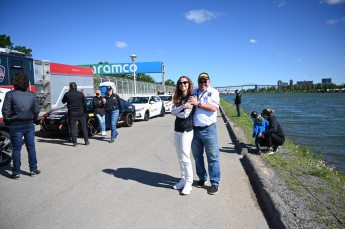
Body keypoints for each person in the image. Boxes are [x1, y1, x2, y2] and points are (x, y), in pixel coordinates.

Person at [2, 73, 41, 179]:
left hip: (15, 124)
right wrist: (33, 118)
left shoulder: (10, 94)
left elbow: (5, 111)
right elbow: (37, 110)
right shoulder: (32, 95)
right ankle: (33, 169)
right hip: (29, 123)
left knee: (16, 148)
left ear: (15, 82)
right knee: (31, 147)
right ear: (26, 83)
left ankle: (16, 172)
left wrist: (8, 122)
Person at [188, 72, 221, 195]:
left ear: (209, 81)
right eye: (200, 81)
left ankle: (215, 183)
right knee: (197, 156)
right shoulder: (194, 92)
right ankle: (202, 178)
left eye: (205, 81)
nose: (203, 83)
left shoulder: (214, 92)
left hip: (209, 129)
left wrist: (199, 104)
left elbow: (214, 108)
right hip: (195, 130)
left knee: (213, 157)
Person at [171, 76, 194, 195]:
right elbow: (172, 111)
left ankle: (189, 183)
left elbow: (185, 115)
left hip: (186, 130)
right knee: (180, 157)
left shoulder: (191, 97)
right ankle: (183, 179)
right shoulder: (177, 96)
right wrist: (182, 107)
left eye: (185, 82)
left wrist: (178, 110)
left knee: (185, 157)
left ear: (189, 84)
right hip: (177, 130)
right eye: (180, 83)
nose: (182, 84)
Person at [62, 82, 89, 147]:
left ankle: (75, 143)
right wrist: (85, 111)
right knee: (84, 128)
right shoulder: (81, 94)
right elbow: (85, 103)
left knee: (72, 128)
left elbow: (63, 101)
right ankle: (86, 141)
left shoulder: (67, 94)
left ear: (70, 87)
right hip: (81, 113)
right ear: (76, 87)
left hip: (72, 113)